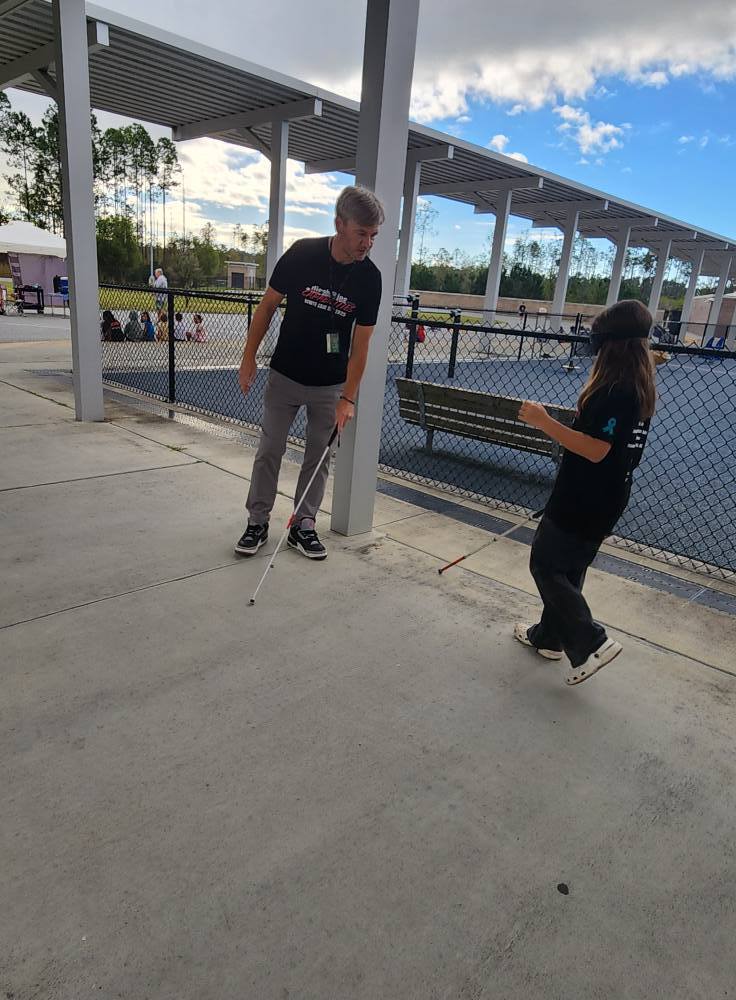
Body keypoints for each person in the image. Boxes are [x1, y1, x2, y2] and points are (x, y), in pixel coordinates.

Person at [235, 185, 384, 561]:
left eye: (373, 235)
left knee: (319, 457)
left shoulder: (371, 279)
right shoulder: (303, 253)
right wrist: (248, 357)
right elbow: (267, 306)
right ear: (339, 224)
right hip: (285, 374)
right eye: (361, 233)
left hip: (330, 386)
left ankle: (304, 524)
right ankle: (257, 521)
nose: (367, 243)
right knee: (270, 448)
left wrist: (348, 398)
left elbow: (361, 345)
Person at [514, 299, 656, 686]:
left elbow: (596, 448)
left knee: (545, 565)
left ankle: (591, 642)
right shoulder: (638, 385)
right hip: (605, 498)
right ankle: (550, 638)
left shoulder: (617, 390)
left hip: (584, 497)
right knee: (569, 569)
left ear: (610, 345)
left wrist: (543, 421)